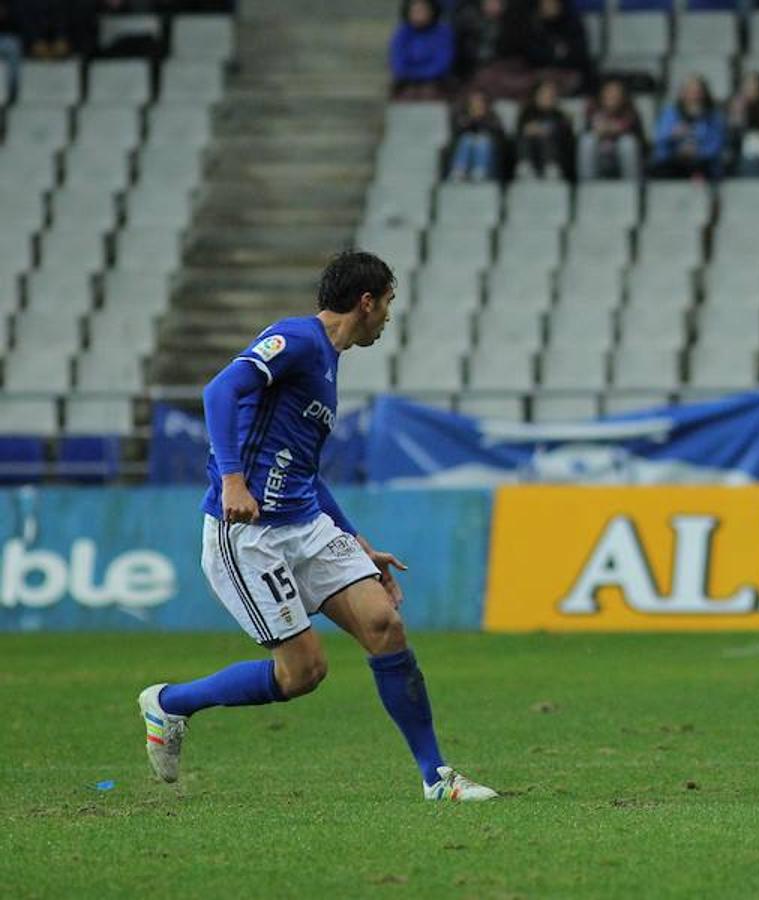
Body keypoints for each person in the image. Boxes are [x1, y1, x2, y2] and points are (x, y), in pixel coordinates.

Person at [136, 251, 497, 803]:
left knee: (385, 626)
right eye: (389, 304)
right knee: (303, 672)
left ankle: (435, 777)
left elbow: (303, 469)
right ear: (366, 301)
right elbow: (218, 392)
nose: (389, 319)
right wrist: (233, 479)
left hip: (305, 522)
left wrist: (356, 540)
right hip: (248, 533)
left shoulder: (328, 362)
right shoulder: (297, 340)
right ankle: (169, 704)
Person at [648, 75, 726, 180]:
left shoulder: (713, 116)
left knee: (704, 168)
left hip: (703, 162)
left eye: (697, 92)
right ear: (683, 93)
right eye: (690, 91)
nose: (694, 96)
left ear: (704, 93)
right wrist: (673, 135)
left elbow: (717, 144)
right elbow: (659, 141)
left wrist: (698, 151)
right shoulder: (670, 113)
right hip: (674, 160)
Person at [577, 77, 645, 180]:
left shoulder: (630, 112)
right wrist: (599, 132)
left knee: (627, 143)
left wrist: (619, 131)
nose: (612, 95)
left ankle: (631, 187)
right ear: (602, 94)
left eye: (616, 93)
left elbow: (640, 140)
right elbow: (585, 132)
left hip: (621, 157)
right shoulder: (593, 110)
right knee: (588, 141)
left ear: (622, 96)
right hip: (599, 157)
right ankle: (587, 186)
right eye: (609, 92)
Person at [521, 0, 591, 97]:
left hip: (567, 71)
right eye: (547, 3)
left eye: (554, 3)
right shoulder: (532, 23)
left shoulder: (572, 23)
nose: (551, 7)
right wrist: (554, 53)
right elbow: (529, 52)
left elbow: (579, 52)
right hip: (538, 71)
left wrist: (554, 54)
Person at [389, 0, 455, 101]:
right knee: (407, 95)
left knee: (429, 93)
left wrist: (422, 75)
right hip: (407, 80)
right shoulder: (402, 33)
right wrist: (410, 75)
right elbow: (398, 62)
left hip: (435, 81)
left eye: (422, 10)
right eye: (415, 11)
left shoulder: (442, 33)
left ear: (431, 12)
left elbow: (442, 62)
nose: (419, 14)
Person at [515, 78, 576, 180]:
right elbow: (520, 131)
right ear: (536, 95)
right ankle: (526, 167)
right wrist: (534, 130)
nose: (548, 97)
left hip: (555, 156)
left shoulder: (560, 115)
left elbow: (567, 138)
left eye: (551, 94)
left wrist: (548, 131)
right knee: (527, 136)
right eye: (544, 93)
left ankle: (551, 168)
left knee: (546, 137)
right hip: (531, 152)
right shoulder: (527, 113)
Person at [448, 89, 507, 181]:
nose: (477, 104)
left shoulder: (493, 116)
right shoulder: (462, 116)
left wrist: (482, 119)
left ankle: (479, 171)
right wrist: (471, 119)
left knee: (482, 140)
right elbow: (456, 133)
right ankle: (459, 170)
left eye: (480, 101)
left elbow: (500, 134)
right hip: (467, 145)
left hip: (488, 149)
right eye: (474, 101)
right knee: (467, 139)